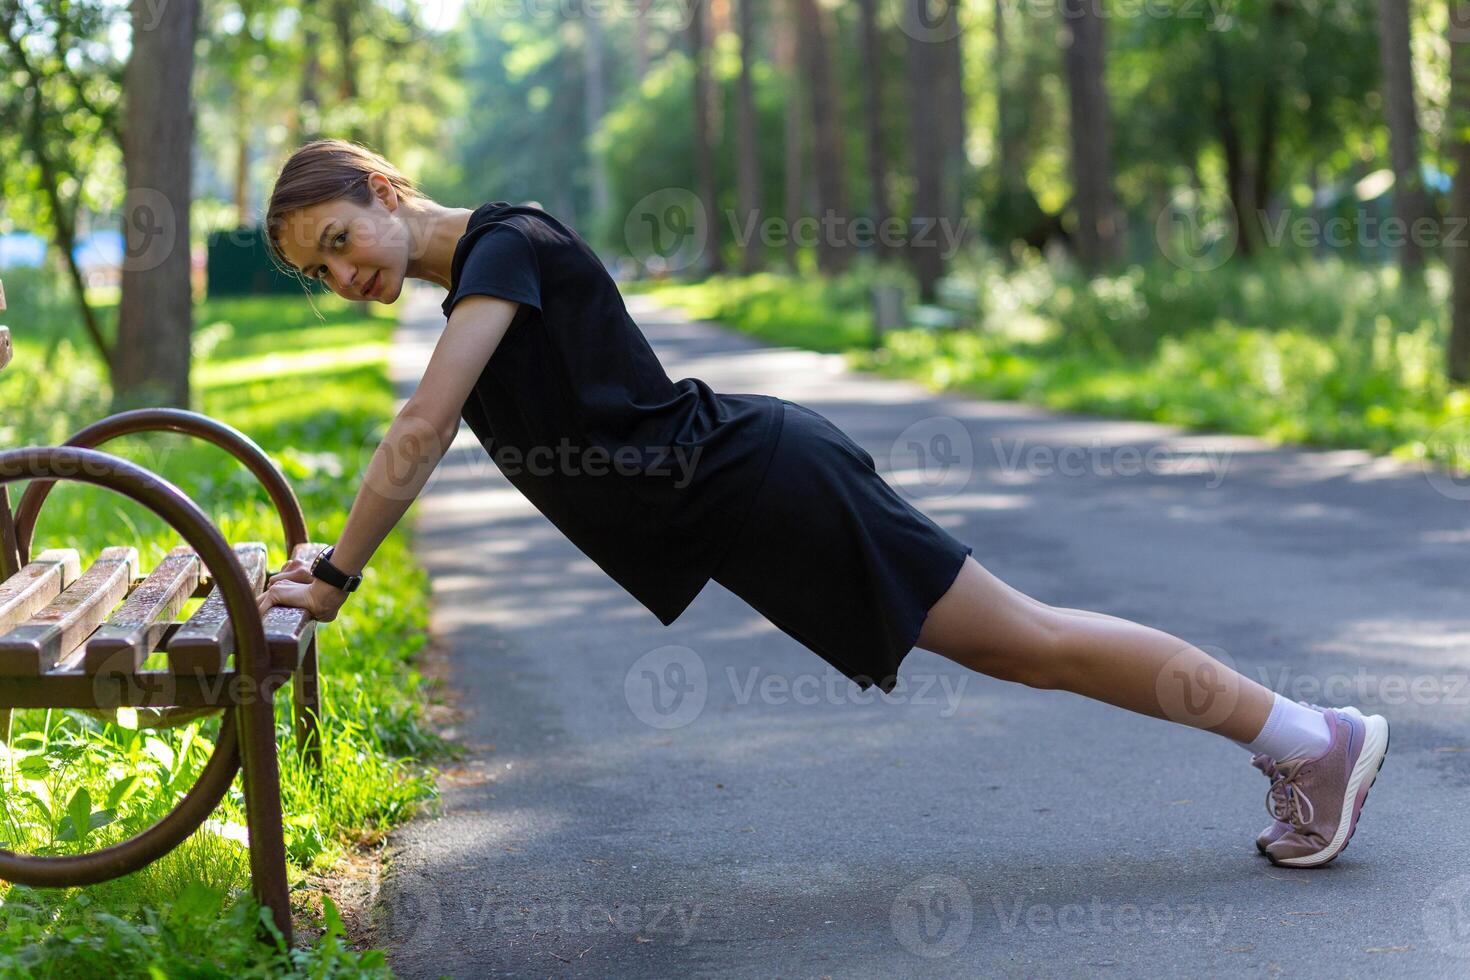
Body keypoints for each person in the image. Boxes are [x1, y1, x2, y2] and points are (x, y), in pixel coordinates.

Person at [258, 138, 1388, 868]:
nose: (346, 275)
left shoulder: (505, 247)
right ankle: (1299, 737)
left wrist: (339, 572)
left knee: (1029, 639)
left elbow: (422, 428)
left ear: (384, 190)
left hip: (767, 483)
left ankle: (1308, 736)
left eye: (342, 240)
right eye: (322, 272)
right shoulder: (487, 262)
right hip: (755, 495)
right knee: (1020, 645)